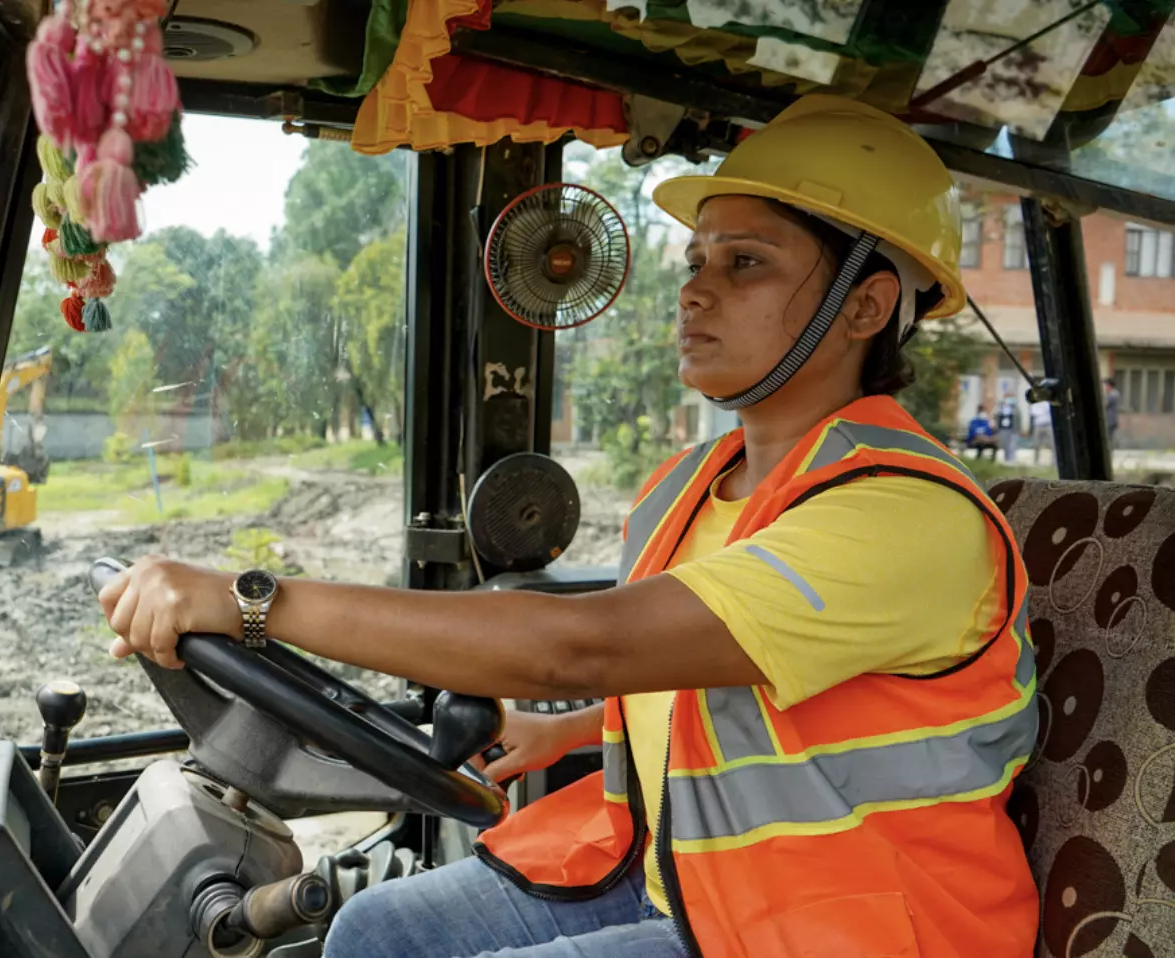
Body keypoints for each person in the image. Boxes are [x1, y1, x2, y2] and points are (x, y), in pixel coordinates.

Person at [98, 95, 1038, 958]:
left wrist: (248, 600)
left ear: (865, 306)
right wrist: (582, 729)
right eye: (697, 260)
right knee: (376, 930)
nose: (696, 291)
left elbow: (577, 643)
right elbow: (728, 682)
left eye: (746, 262)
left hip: (855, 926)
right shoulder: (693, 484)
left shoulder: (903, 516)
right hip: (689, 877)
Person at [996, 392, 1020, 463]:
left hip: (1013, 428)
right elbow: (997, 417)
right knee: (1005, 445)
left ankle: (1012, 460)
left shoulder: (1015, 407)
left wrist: (1018, 428)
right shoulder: (1000, 407)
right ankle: (1006, 459)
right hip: (1003, 428)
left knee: (1012, 445)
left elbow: (1018, 418)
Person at [1030, 397, 1053, 464]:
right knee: (1036, 444)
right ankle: (1036, 461)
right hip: (1038, 425)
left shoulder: (1047, 402)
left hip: (1048, 424)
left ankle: (1054, 461)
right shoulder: (1035, 404)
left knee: (1052, 444)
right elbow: (1034, 413)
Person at [1104, 377, 1121, 448]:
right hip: (1112, 418)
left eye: (1105, 385)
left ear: (1109, 385)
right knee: (1109, 436)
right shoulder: (1114, 393)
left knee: (1109, 436)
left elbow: (1105, 405)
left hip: (1110, 419)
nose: (1105, 387)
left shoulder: (1113, 394)